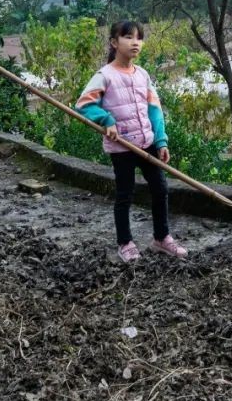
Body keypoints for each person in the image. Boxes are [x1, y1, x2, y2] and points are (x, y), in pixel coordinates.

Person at [75, 20, 188, 263]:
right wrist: (106, 119)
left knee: (160, 189)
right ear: (114, 43)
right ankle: (125, 243)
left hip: (147, 143)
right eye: (128, 37)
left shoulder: (143, 75)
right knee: (125, 194)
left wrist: (161, 140)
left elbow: (155, 109)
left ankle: (161, 238)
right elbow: (83, 104)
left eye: (139, 38)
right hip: (122, 147)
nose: (135, 42)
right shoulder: (105, 75)